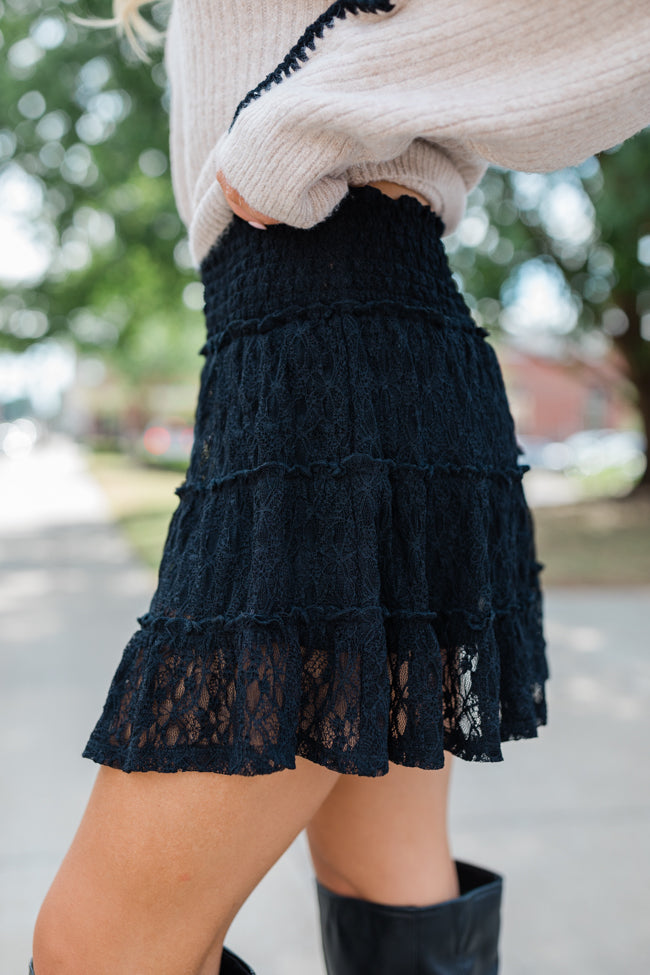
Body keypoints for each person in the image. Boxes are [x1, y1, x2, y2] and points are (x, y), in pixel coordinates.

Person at [30, 2, 650, 974]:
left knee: (97, 951)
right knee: (384, 881)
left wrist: (299, 123)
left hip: (332, 374)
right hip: (342, 360)